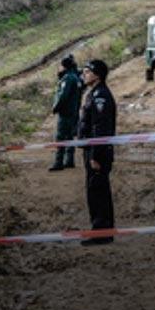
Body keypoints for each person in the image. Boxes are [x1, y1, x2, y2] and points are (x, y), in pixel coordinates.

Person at [77, 59, 116, 246]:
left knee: (98, 193)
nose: (84, 74)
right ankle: (101, 231)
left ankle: (101, 233)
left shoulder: (101, 96)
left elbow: (100, 129)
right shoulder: (93, 93)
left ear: (97, 75)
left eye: (87, 71)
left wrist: (95, 156)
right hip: (92, 150)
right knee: (95, 191)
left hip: (97, 152)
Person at [49, 54, 83, 171]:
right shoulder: (77, 77)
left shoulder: (68, 78)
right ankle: (69, 160)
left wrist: (55, 107)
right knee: (69, 136)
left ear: (64, 66)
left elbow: (63, 96)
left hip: (66, 112)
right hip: (74, 111)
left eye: (60, 66)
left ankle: (58, 162)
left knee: (61, 137)